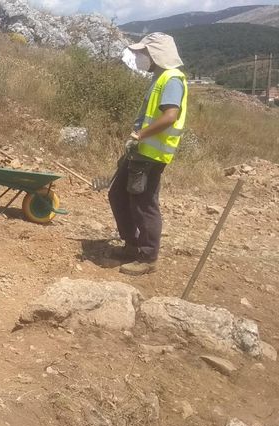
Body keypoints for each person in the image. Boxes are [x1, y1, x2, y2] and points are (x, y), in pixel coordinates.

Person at [109, 32, 188, 276]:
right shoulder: (160, 77)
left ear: (156, 53)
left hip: (150, 155)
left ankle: (147, 256)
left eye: (144, 53)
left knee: (144, 204)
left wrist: (139, 135)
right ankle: (132, 244)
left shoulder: (172, 79)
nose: (141, 57)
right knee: (117, 194)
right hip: (140, 152)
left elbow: (170, 116)